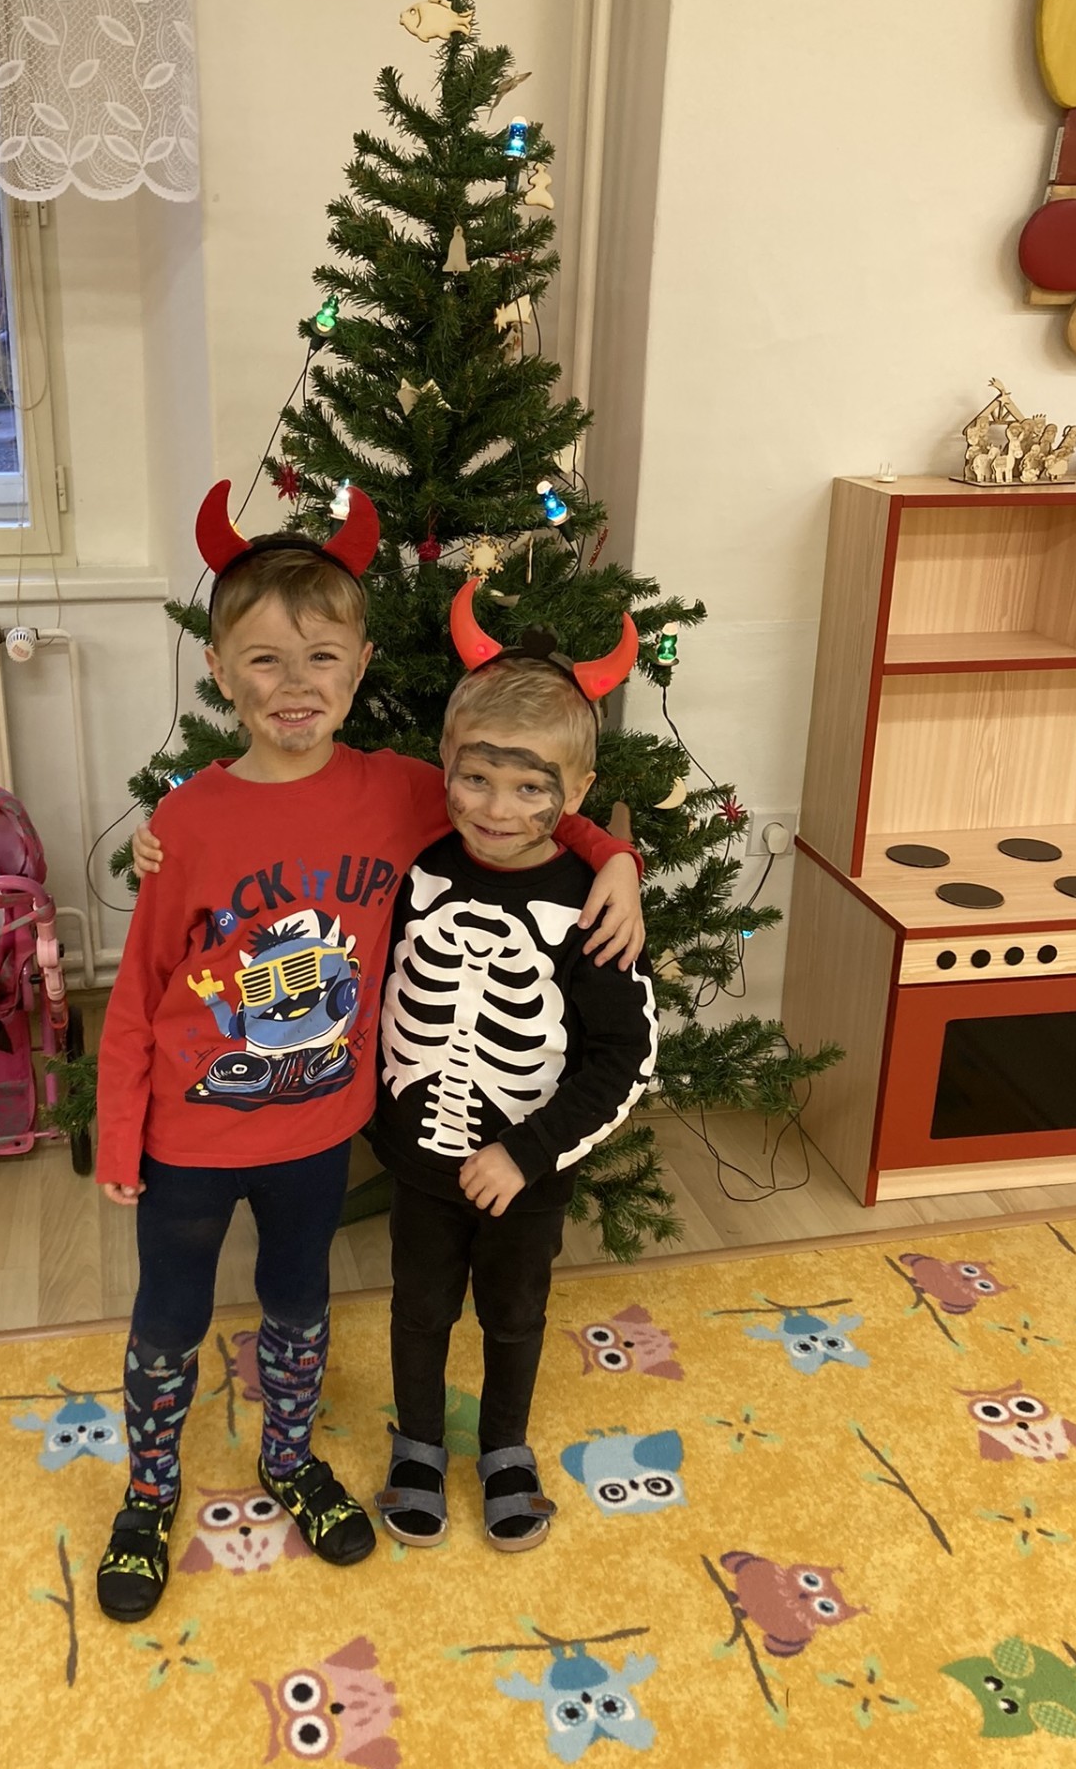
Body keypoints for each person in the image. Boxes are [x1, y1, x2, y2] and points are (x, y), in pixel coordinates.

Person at [95, 483, 645, 1623]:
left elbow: (527, 797)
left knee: (299, 1304)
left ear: (360, 667)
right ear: (218, 671)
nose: (294, 685)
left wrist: (617, 859)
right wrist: (117, 1134)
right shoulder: (185, 821)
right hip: (189, 1133)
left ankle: (291, 1460)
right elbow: (140, 989)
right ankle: (147, 1494)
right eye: (264, 660)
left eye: (321, 659)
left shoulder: (404, 791)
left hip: (319, 1127)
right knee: (170, 1315)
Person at [371, 582, 659, 1553]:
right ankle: (417, 1442)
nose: (498, 809)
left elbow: (626, 1057)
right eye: (478, 778)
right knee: (418, 1310)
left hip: (527, 1175)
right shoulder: (413, 867)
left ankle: (504, 1448)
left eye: (532, 788)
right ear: (444, 767)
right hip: (418, 1163)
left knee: (514, 1314)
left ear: (575, 794)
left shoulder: (593, 905)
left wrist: (528, 1153)